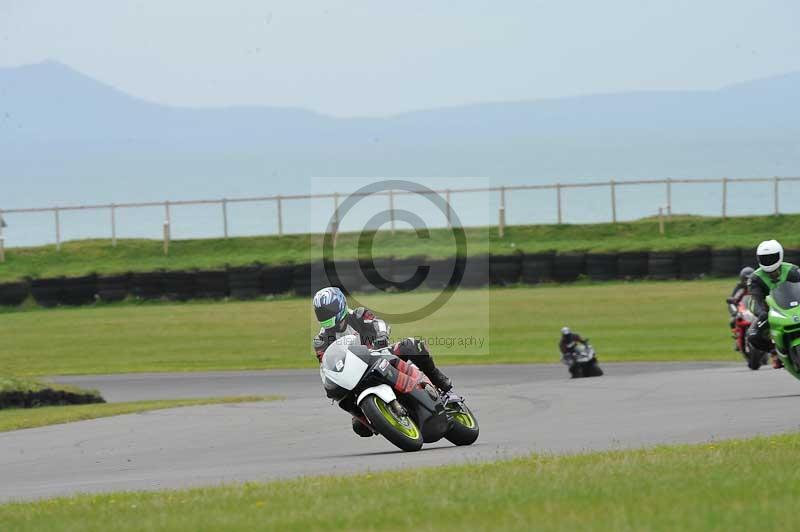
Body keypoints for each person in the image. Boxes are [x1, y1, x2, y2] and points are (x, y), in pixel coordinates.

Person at [312, 286, 454, 437]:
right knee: (359, 427)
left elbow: (379, 323)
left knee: (412, 345)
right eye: (322, 314)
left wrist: (381, 336)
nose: (326, 317)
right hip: (354, 375)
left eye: (328, 313)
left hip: (380, 354)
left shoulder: (358, 315)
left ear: (340, 306)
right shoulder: (321, 340)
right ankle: (379, 418)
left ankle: (439, 382)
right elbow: (326, 364)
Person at [747, 240, 800, 368]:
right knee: (753, 336)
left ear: (780, 255)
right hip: (771, 311)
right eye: (764, 258)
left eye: (771, 257)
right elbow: (756, 299)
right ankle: (775, 352)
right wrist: (761, 313)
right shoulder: (755, 278)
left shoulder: (793, 270)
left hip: (795, 307)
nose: (768, 261)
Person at [727, 266, 754, 332]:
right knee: (733, 320)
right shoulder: (739, 287)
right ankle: (736, 332)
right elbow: (733, 298)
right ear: (742, 278)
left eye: (750, 279)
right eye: (746, 279)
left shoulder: (757, 287)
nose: (747, 281)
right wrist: (733, 301)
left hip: (754, 308)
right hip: (741, 309)